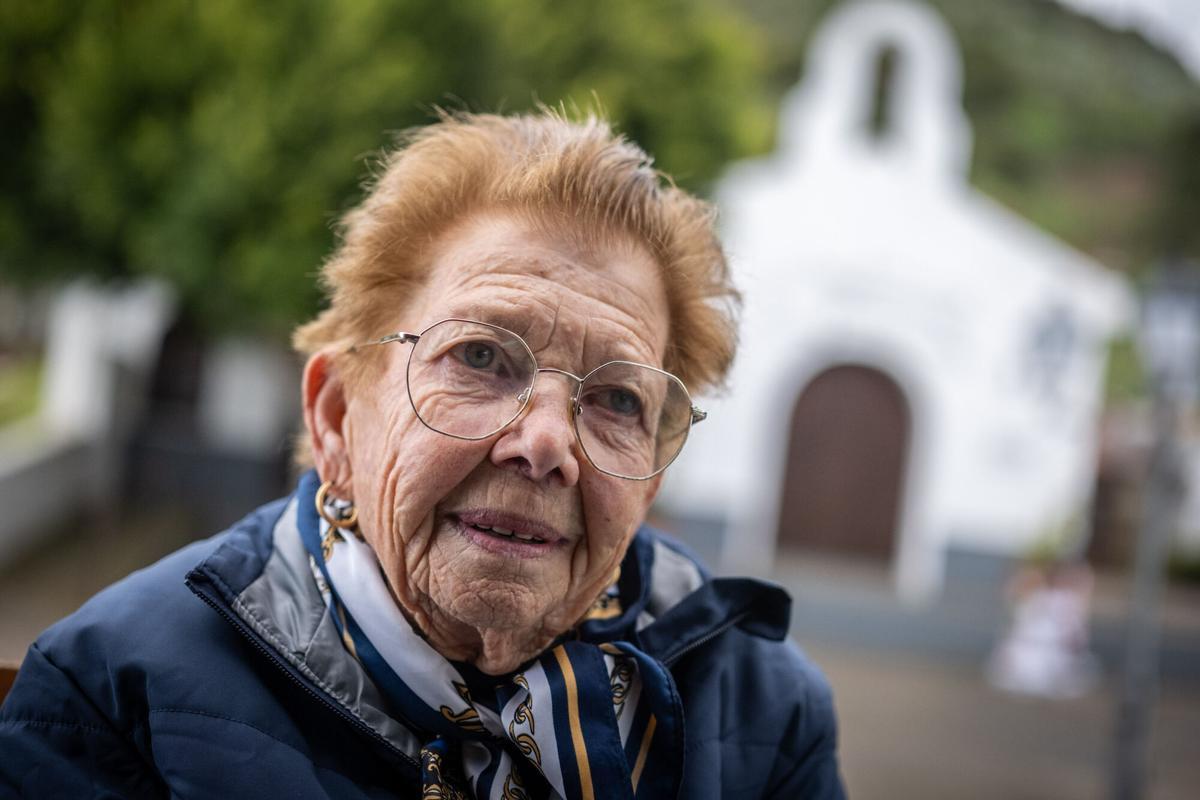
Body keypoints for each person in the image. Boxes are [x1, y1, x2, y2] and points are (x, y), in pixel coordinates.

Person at [0, 111, 844, 798]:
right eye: (480, 356)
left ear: (651, 479)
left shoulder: (766, 711)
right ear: (337, 416)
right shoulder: (112, 693)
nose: (547, 443)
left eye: (619, 400)